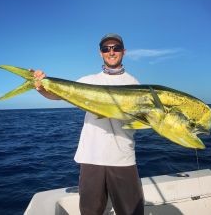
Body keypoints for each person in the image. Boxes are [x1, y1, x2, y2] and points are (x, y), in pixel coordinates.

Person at [33, 33, 144, 215]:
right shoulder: (88, 81)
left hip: (123, 157)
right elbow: (57, 94)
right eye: (106, 48)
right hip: (91, 157)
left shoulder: (134, 84)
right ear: (100, 53)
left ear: (124, 51)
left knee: (131, 212)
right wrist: (41, 86)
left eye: (115, 48)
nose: (111, 52)